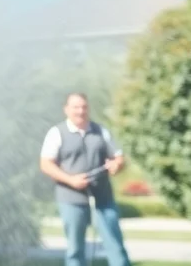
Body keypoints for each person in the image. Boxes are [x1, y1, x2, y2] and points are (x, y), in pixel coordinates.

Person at [39, 92, 131, 266]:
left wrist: (117, 165)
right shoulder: (57, 133)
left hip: (103, 198)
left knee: (115, 245)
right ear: (66, 109)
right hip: (71, 199)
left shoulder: (100, 131)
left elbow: (119, 158)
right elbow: (45, 164)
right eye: (76, 107)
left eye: (84, 107)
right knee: (75, 248)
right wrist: (70, 179)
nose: (80, 111)